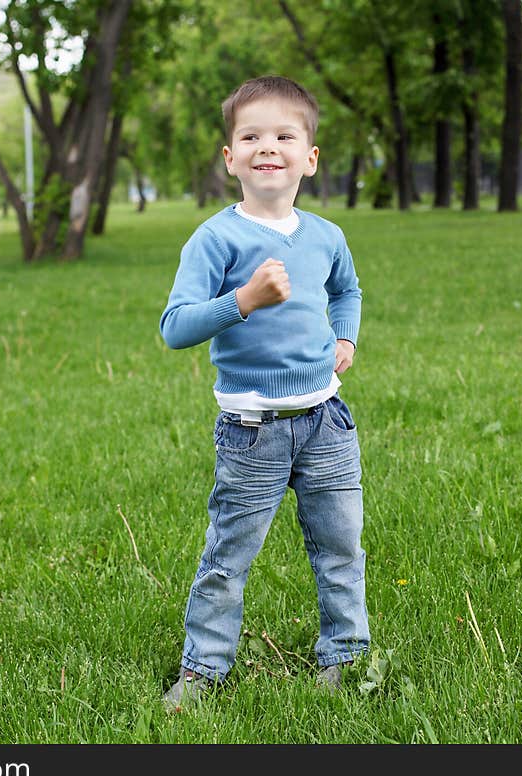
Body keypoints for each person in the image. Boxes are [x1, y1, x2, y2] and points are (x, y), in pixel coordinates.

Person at [159, 75, 370, 713]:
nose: (266, 146)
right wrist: (243, 301)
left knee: (340, 547)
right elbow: (176, 328)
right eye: (250, 136)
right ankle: (204, 669)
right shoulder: (216, 240)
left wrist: (347, 339)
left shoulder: (326, 236)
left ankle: (348, 654)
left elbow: (347, 291)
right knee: (229, 555)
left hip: (326, 421)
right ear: (231, 158)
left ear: (309, 157)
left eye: (284, 135)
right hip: (253, 431)